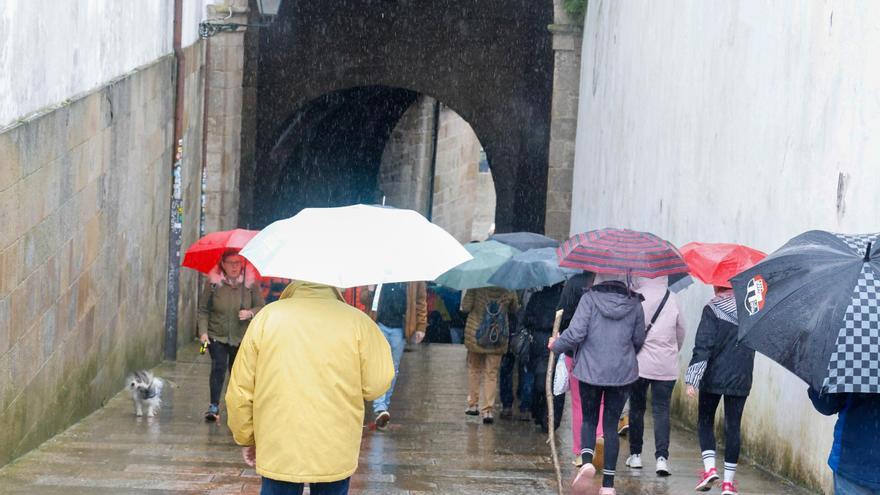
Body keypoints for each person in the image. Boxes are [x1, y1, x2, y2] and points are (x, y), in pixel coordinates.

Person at [226, 281, 394, 495]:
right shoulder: (357, 321)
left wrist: (247, 436)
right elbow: (376, 385)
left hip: (278, 439)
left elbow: (241, 388)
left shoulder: (267, 318)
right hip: (336, 442)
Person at [550, 273, 646, 495]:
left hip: (590, 371)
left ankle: (587, 462)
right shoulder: (634, 303)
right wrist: (624, 355)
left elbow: (576, 333)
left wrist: (557, 345)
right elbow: (638, 339)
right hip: (622, 373)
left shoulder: (589, 299)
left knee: (590, 418)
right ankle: (608, 486)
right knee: (611, 425)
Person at [685, 286, 754, 495]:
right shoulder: (751, 311)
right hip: (741, 377)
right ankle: (728, 484)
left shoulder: (713, 308)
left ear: (716, 285)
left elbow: (703, 346)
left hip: (712, 376)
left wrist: (692, 380)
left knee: (705, 420)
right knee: (733, 427)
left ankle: (710, 469)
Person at [625, 277, 686, 476]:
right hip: (666, 366)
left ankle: (635, 455)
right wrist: (672, 350)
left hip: (640, 364)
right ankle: (662, 459)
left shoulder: (637, 297)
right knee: (661, 411)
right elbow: (681, 331)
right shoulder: (673, 298)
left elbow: (631, 329)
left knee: (637, 408)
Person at [198, 250, 265, 422]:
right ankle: (213, 406)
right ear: (223, 264)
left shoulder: (250, 284)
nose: (235, 267)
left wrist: (250, 313)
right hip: (217, 335)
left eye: (238, 263)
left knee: (238, 373)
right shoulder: (213, 284)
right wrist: (203, 332)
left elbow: (261, 307)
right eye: (231, 263)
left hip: (241, 336)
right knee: (218, 367)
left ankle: (237, 407)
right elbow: (203, 310)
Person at [360, 282, 427, 429]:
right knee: (378, 366)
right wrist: (371, 291)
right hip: (379, 324)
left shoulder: (414, 274)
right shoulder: (378, 270)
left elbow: (421, 300)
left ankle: (384, 406)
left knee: (393, 368)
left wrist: (421, 326)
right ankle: (380, 407)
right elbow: (363, 300)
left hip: (400, 327)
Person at [461, 286, 519, 424]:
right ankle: (487, 410)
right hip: (497, 335)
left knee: (474, 370)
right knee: (491, 374)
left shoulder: (476, 285)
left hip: (476, 334)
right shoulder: (508, 287)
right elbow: (514, 308)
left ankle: (473, 404)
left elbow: (466, 307)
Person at [556, 271, 597, 466]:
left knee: (579, 403)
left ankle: (582, 450)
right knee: (603, 402)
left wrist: (559, 341)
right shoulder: (607, 285)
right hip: (602, 353)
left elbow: (561, 316)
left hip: (575, 351)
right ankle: (599, 438)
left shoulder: (573, 284)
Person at [808, 389, 880, 494]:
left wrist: (815, 385)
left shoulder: (854, 373)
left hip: (852, 463)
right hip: (852, 465)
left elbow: (827, 405)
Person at [520, 283, 564, 430]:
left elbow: (526, 319)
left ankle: (539, 413)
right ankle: (550, 418)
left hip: (537, 342)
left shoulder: (536, 297)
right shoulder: (563, 299)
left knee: (539, 378)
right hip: (557, 340)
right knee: (555, 380)